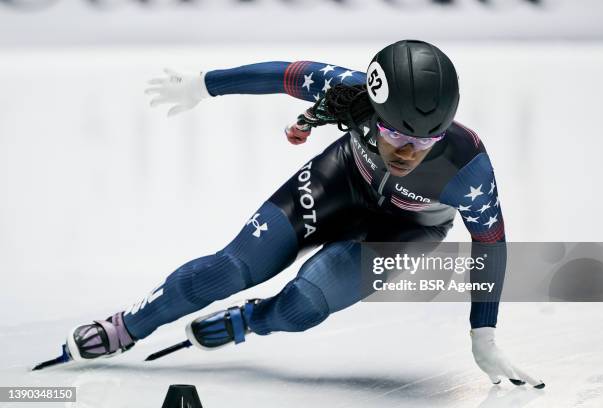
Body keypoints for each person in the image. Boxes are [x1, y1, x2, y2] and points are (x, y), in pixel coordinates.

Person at [62, 40, 543, 388]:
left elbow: (491, 246)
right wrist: (206, 86)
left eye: (424, 142)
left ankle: (251, 321)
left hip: (405, 230)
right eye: (396, 133)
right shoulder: (353, 91)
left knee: (300, 306)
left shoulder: (468, 169)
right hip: (339, 181)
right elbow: (285, 74)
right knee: (229, 268)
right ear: (374, 109)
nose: (407, 152)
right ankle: (126, 326)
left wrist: (484, 334)